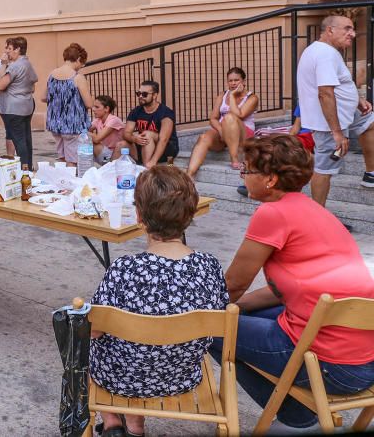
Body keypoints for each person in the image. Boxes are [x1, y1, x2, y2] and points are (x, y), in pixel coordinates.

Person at [218, 135, 374, 433]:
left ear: (270, 179)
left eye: (247, 170)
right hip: (363, 357)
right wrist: (234, 307)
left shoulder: (272, 213)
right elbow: (280, 291)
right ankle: (297, 413)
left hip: (332, 365)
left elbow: (233, 283)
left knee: (210, 331)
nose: (243, 175)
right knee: (234, 314)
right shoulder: (312, 208)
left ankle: (297, 420)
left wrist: (196, 313)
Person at [90, 165, 228, 437]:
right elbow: (219, 316)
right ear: (190, 215)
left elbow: (94, 330)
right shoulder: (208, 266)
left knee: (87, 342)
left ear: (140, 216)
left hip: (123, 379)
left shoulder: (124, 269)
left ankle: (112, 423)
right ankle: (135, 425)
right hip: (181, 376)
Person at [295, 14, 374, 205]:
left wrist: (357, 99)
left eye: (353, 29)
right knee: (324, 169)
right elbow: (325, 93)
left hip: (342, 113)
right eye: (347, 28)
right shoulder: (325, 54)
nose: (352, 34)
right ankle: (317, 218)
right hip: (329, 122)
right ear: (330, 30)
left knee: (369, 122)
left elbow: (338, 83)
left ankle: (370, 173)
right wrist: (337, 132)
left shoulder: (323, 50)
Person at [186, 67, 259, 177]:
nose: (233, 83)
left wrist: (233, 96)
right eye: (230, 81)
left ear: (243, 81)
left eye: (236, 80)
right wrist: (221, 130)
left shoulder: (252, 98)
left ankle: (234, 158)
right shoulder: (222, 95)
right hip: (223, 134)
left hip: (243, 134)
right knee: (204, 137)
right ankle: (189, 175)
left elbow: (239, 115)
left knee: (229, 117)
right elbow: (213, 118)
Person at [41, 43, 94, 167]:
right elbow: (89, 103)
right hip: (73, 125)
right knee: (73, 161)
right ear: (79, 59)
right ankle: (71, 184)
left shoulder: (52, 74)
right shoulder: (77, 77)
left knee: (62, 158)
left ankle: (63, 182)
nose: (82, 66)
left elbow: (43, 97)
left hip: (55, 123)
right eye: (82, 63)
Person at [0, 36, 38, 168]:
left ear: (18, 50)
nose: (7, 52)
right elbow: (33, 85)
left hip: (13, 109)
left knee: (19, 141)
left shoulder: (15, 66)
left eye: (10, 49)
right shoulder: (27, 63)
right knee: (26, 139)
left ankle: (25, 169)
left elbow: (0, 85)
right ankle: (28, 167)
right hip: (27, 105)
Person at [120, 80, 179, 167]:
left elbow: (164, 139)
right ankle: (109, 175)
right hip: (145, 146)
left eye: (144, 94)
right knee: (121, 145)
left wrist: (153, 161)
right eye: (138, 93)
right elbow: (126, 133)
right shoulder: (136, 111)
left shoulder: (166, 113)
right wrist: (134, 139)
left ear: (154, 95)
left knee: (147, 135)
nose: (140, 96)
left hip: (167, 150)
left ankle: (146, 169)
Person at [89, 95, 124, 165]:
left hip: (115, 155)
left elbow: (96, 139)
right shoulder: (98, 120)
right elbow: (85, 129)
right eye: (93, 106)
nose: (93, 109)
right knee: (84, 143)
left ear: (106, 109)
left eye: (97, 107)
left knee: (94, 144)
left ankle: (93, 166)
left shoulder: (114, 120)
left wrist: (84, 133)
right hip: (105, 153)